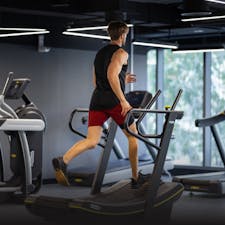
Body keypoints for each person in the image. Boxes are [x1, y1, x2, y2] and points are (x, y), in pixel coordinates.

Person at [52, 21, 146, 189]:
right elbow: (111, 76)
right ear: (123, 35)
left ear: (110, 34)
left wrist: (123, 79)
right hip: (114, 101)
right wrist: (123, 100)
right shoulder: (122, 53)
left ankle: (63, 160)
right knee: (133, 136)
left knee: (92, 140)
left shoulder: (100, 53)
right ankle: (135, 178)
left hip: (97, 99)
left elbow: (97, 81)